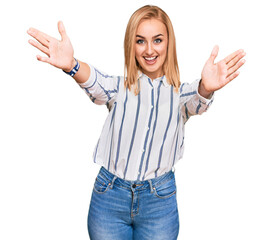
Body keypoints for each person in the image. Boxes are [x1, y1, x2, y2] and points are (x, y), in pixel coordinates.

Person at [27, 5, 245, 240]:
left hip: (159, 202)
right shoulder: (119, 89)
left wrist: (206, 87)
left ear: (169, 44)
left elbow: (198, 100)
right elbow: (95, 82)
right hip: (109, 198)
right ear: (131, 45)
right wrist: (72, 65)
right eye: (140, 41)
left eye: (157, 40)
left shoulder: (181, 95)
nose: (149, 49)